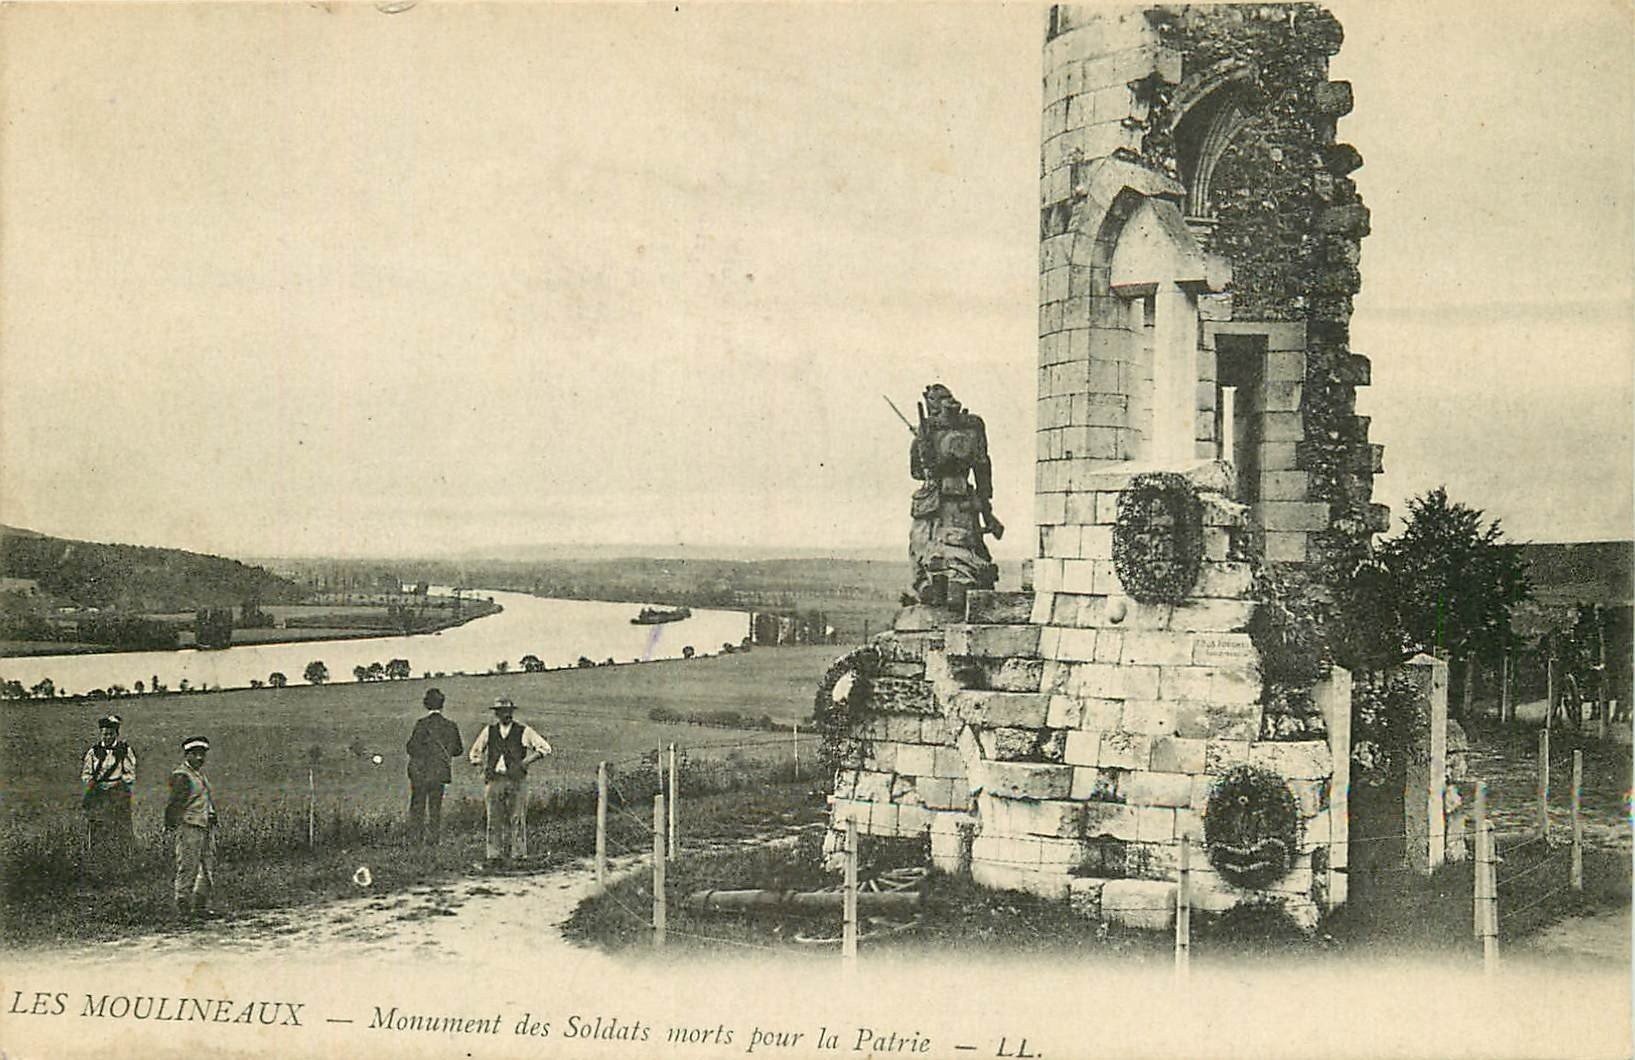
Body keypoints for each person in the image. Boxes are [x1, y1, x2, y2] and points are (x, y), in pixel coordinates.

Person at [909, 383, 1003, 612]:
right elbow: (983, 468)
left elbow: (916, 472)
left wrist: (922, 449)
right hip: (965, 501)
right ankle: (951, 586)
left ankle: (939, 587)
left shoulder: (929, 429)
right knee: (967, 546)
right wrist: (985, 504)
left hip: (936, 502)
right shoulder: (974, 426)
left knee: (927, 547)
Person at [467, 698, 551, 868]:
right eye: (501, 711)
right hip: (495, 780)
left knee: (517, 818)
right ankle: (494, 856)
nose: (505, 714)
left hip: (516, 780)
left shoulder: (524, 731)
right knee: (493, 818)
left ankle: (518, 855)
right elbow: (474, 753)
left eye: (508, 711)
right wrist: (484, 766)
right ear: (496, 714)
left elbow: (545, 748)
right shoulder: (488, 731)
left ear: (512, 712)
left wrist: (525, 763)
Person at [164, 736, 219, 919]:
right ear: (187, 755)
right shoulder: (182, 776)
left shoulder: (199, 775)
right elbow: (174, 804)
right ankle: (184, 908)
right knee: (188, 866)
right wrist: (171, 825)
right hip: (189, 826)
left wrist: (212, 815)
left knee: (207, 868)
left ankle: (200, 906)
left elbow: (205, 799)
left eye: (202, 754)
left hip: (205, 826)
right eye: (195, 754)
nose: (200, 758)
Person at [405, 687, 463, 846]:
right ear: (442, 705)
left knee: (418, 807)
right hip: (440, 772)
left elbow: (411, 748)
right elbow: (458, 750)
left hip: (421, 772)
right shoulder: (450, 725)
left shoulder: (421, 724)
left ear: (426, 705)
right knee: (435, 808)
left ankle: (416, 841)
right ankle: (433, 841)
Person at [80, 714, 137, 869]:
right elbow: (86, 773)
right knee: (97, 826)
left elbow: (130, 775)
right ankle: (97, 861)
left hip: (118, 793)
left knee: (120, 826)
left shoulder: (124, 750)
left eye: (110, 734)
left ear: (116, 734)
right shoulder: (94, 751)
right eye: (104, 733)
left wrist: (116, 784)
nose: (107, 737)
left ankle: (124, 861)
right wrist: (93, 783)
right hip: (99, 793)